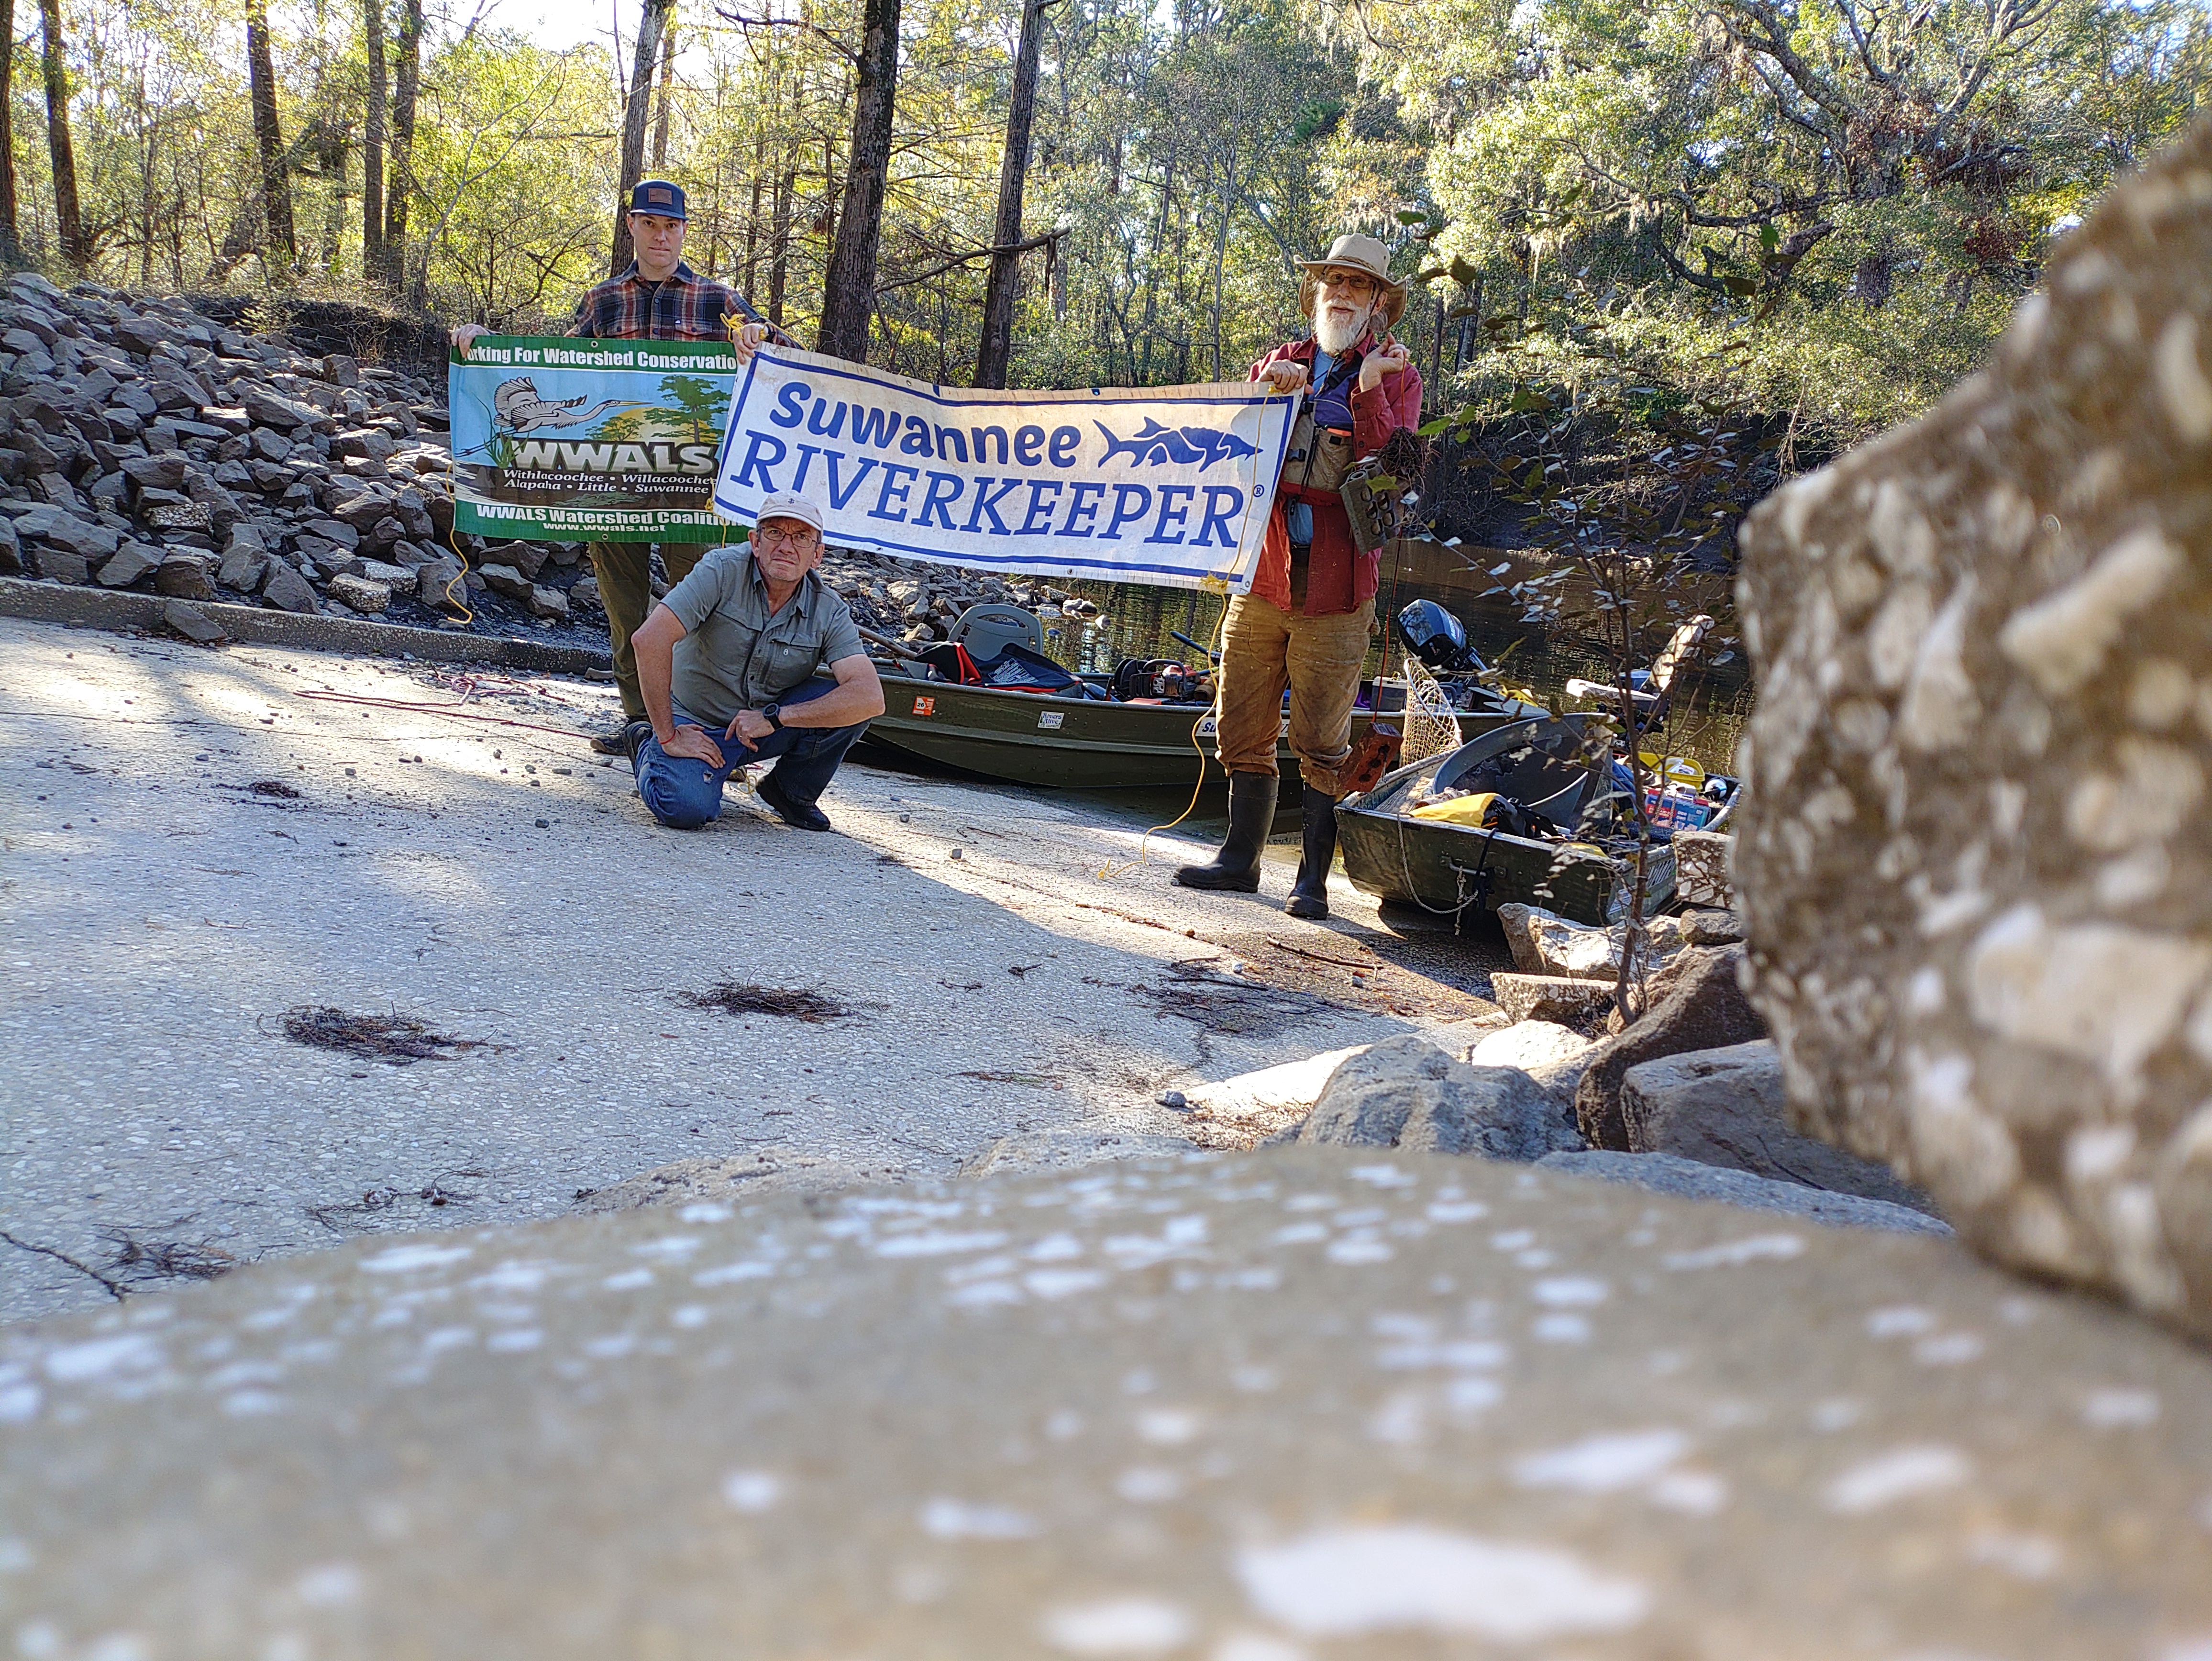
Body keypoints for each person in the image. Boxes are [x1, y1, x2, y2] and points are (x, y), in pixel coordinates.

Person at [451, 179, 788, 753]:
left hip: (695, 491)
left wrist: (760, 336)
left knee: (697, 614)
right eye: (650, 224)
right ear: (631, 225)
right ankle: (640, 726)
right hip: (611, 486)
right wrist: (486, 346)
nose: (661, 235)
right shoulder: (603, 301)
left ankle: (698, 726)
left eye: (672, 226)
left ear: (684, 231)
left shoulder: (717, 300)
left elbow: (787, 357)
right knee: (625, 612)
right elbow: (560, 369)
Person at [1174, 232, 1423, 919]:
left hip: (1339, 593)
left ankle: (1311, 879)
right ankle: (1239, 860)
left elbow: (1394, 473)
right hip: (1264, 578)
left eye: (1357, 284)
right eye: (1333, 281)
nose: (1341, 292)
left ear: (1378, 303)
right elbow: (1230, 452)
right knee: (1239, 723)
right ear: (1318, 292)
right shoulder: (1282, 361)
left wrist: (1369, 392)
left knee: (1320, 739)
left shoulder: (1399, 376)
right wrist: (1263, 394)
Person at [624, 489, 884, 832]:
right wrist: (668, 733)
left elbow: (870, 697)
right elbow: (649, 639)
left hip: (762, 728)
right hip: (695, 722)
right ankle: (647, 743)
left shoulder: (829, 609)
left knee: (849, 704)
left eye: (801, 538)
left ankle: (790, 792)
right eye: (775, 533)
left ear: (818, 554)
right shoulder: (720, 570)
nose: (786, 547)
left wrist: (777, 718)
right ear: (755, 541)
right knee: (683, 808)